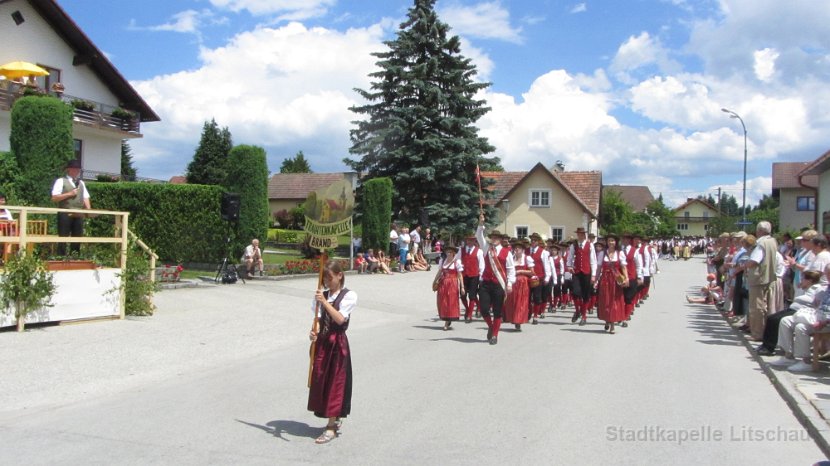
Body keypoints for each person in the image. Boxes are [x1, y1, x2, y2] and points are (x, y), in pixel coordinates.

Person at [308, 260, 357, 444]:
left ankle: (330, 427)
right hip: (323, 344)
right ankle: (334, 419)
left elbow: (339, 319)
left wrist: (324, 302)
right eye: (325, 279)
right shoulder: (322, 296)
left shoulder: (348, 295)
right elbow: (319, 320)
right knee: (323, 381)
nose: (327, 282)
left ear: (339, 275)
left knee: (336, 384)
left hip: (337, 344)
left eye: (330, 278)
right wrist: (313, 332)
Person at [756, 270, 822, 356]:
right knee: (771, 318)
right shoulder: (805, 288)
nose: (801, 280)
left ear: (809, 280)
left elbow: (812, 302)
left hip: (800, 311)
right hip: (793, 309)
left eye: (803, 279)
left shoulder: (817, 289)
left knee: (775, 320)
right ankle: (765, 345)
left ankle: (769, 348)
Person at [476, 213, 516, 345]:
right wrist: (481, 224)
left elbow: (510, 269)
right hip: (486, 283)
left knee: (498, 311)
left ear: (500, 240)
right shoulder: (487, 248)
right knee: (484, 308)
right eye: (492, 237)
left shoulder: (506, 252)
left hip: (499, 284)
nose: (493, 239)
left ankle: (494, 335)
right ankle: (491, 326)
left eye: (496, 238)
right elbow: (478, 236)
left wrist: (509, 283)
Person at [51, 159, 90, 256]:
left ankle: (75, 258)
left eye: (78, 169)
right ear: (69, 169)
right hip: (65, 212)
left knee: (77, 237)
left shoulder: (81, 183)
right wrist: (70, 194)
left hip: (78, 213)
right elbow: (55, 198)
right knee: (63, 237)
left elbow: (85, 197)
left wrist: (89, 211)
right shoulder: (61, 181)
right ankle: (60, 258)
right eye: (74, 169)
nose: (77, 171)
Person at [597, 235, 627, 334]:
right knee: (605, 301)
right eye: (609, 240)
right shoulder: (602, 253)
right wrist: (595, 279)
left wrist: (626, 278)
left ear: (616, 242)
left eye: (613, 240)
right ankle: (607, 320)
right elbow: (598, 268)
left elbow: (623, 267)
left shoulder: (620, 253)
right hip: (605, 280)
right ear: (606, 242)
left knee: (614, 302)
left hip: (615, 281)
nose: (611, 242)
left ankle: (612, 325)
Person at [504, 239, 533, 331]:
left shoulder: (527, 258)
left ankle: (518, 320)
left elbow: (532, 272)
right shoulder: (511, 258)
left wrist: (520, 271)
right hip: (513, 282)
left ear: (523, 249)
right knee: (512, 301)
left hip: (523, 283)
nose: (517, 249)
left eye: (519, 248)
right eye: (515, 248)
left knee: (521, 302)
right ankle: (513, 318)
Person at [434, 244, 463, 331]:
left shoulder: (456, 262)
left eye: (450, 252)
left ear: (454, 253)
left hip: (452, 284)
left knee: (451, 302)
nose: (448, 254)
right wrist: (434, 281)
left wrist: (462, 287)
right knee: (443, 302)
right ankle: (447, 318)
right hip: (443, 283)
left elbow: (460, 275)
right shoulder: (442, 261)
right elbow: (439, 272)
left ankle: (447, 322)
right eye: (447, 252)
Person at [460, 233, 484, 323]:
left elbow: (481, 265)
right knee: (462, 295)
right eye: (468, 240)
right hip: (463, 275)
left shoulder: (479, 251)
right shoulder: (461, 250)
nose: (470, 242)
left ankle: (469, 315)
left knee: (472, 295)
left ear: (475, 241)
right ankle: (467, 308)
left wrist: (481, 277)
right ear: (466, 241)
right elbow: (457, 260)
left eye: (472, 240)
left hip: (474, 275)